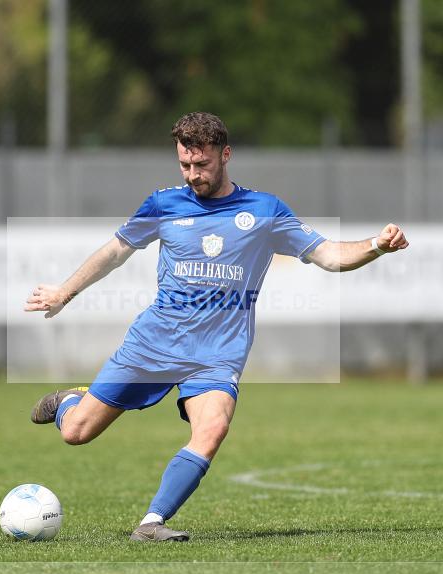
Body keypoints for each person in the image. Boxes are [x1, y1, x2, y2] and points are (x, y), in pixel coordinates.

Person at [25, 112, 409, 542]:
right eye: (185, 166)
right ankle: (67, 404)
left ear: (225, 155)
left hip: (216, 356)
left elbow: (330, 256)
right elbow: (114, 252)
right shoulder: (163, 204)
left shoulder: (264, 210)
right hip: (153, 344)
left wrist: (377, 245)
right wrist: (64, 292)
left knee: (213, 427)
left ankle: (151, 523)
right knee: (78, 433)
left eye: (201, 165)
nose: (193, 175)